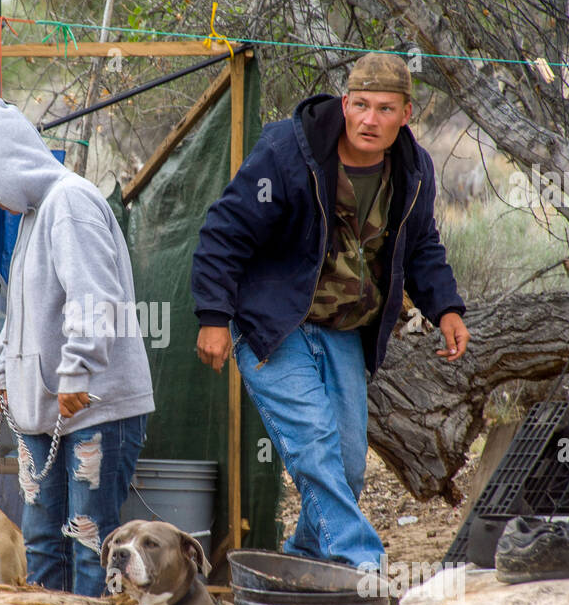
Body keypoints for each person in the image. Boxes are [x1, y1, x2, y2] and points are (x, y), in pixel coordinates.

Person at [191, 53, 470, 570]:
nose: (370, 119)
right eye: (360, 105)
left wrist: (446, 307)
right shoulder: (288, 151)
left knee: (345, 466)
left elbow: (422, 245)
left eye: (385, 109)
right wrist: (212, 315)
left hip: (345, 331)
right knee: (315, 450)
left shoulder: (413, 170)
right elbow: (224, 231)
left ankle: (303, 563)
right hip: (274, 327)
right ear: (344, 103)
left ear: (406, 113)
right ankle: (362, 567)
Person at [0, 98, 154, 597]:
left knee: (90, 546)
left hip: (91, 410)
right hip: (44, 413)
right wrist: (1, 375)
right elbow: (21, 311)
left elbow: (95, 296)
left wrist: (78, 373)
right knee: (43, 545)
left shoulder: (71, 202)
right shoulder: (34, 215)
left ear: (9, 163)